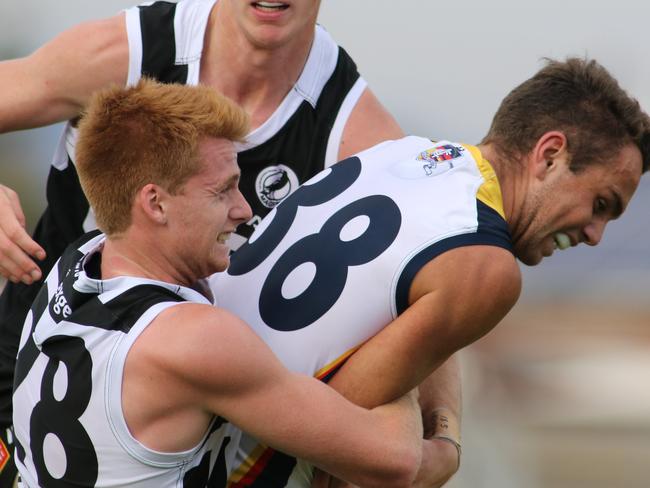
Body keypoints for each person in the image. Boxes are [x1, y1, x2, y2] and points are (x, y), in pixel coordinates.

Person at [0, 1, 459, 483]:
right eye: (222, 191)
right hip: (20, 383)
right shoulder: (128, 53)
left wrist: (445, 419)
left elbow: (434, 274)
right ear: (152, 201)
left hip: (189, 420)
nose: (242, 209)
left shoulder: (356, 132)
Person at [209, 57, 650, 487]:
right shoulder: (486, 267)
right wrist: (442, 449)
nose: (596, 235)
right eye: (600, 204)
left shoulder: (408, 152)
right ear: (550, 154)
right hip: (220, 466)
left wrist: (444, 431)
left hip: (177, 414)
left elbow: (423, 319)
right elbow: (336, 432)